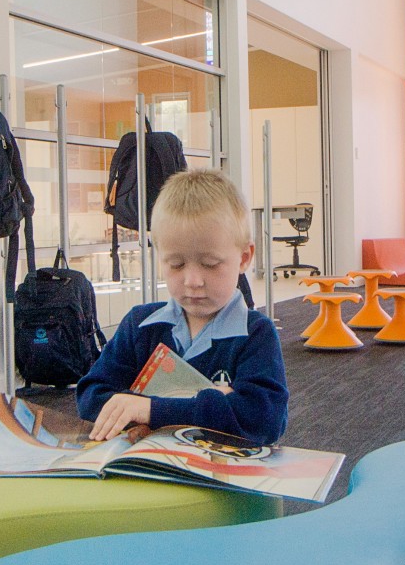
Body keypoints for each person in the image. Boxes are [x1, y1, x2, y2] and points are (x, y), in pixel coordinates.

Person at [77, 169, 288, 445]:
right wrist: (215, 405)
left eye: (210, 264)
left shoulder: (256, 334)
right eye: (176, 264)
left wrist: (149, 409)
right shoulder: (140, 325)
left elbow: (264, 419)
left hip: (219, 480)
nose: (192, 281)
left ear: (244, 257)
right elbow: (90, 396)